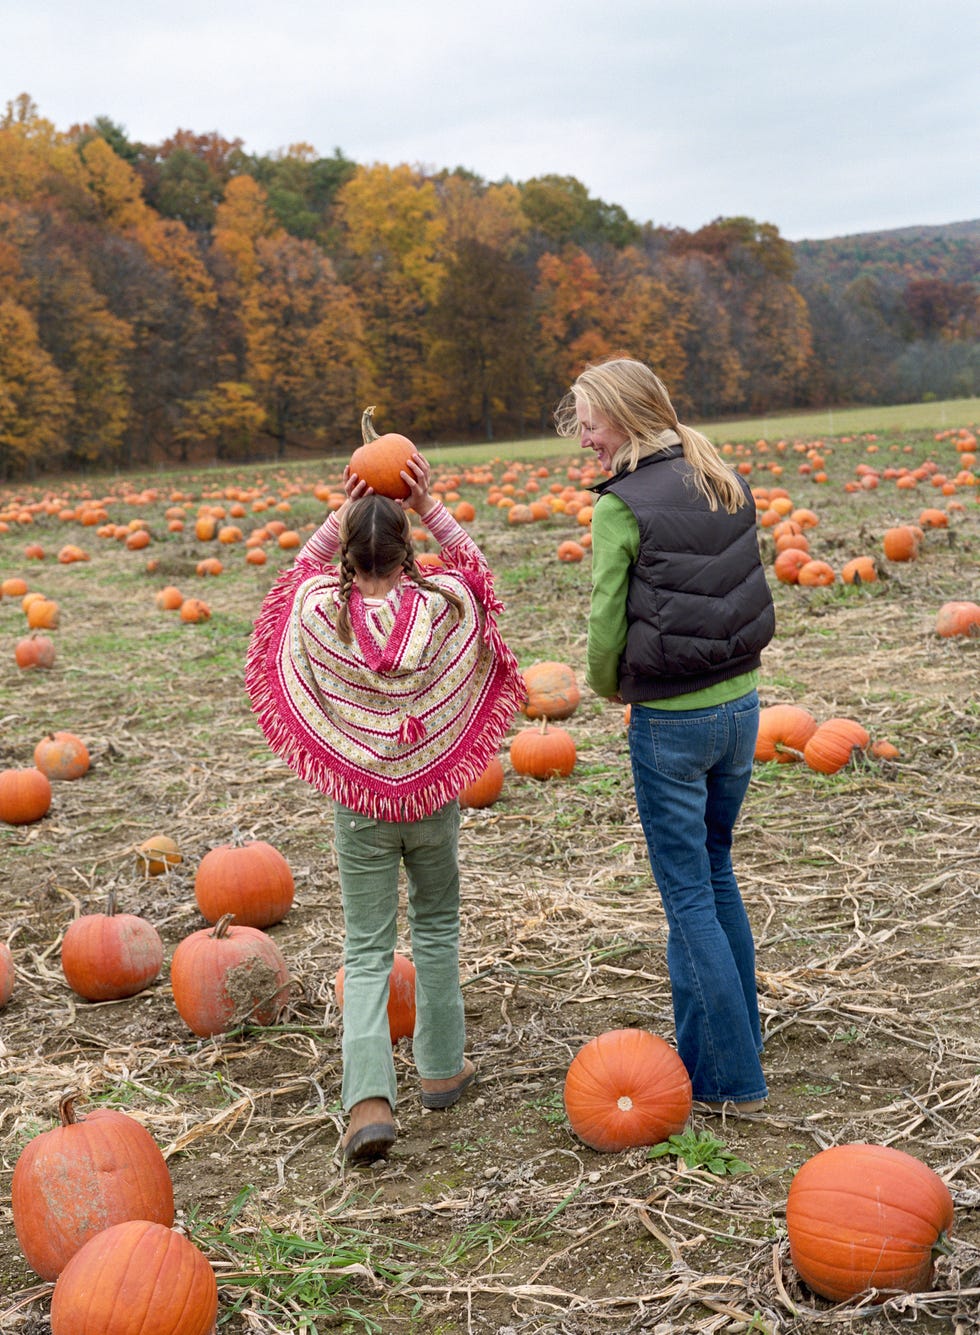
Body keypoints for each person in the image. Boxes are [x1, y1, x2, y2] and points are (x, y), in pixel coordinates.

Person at [245, 453, 525, 1163]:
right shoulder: (444, 606)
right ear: (408, 553)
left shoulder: (319, 612)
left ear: (348, 553)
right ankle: (440, 1066)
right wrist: (430, 505)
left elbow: (286, 590)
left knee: (366, 951)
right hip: (433, 795)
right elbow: (480, 576)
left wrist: (338, 518)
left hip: (361, 805)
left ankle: (369, 1097)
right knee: (435, 927)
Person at [555, 357, 775, 1112]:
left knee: (687, 892)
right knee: (716, 872)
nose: (583, 432)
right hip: (743, 708)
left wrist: (606, 683)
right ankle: (738, 1036)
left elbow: (605, 618)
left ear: (626, 416)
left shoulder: (621, 503)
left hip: (672, 722)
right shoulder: (719, 474)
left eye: (590, 417)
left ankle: (727, 1079)